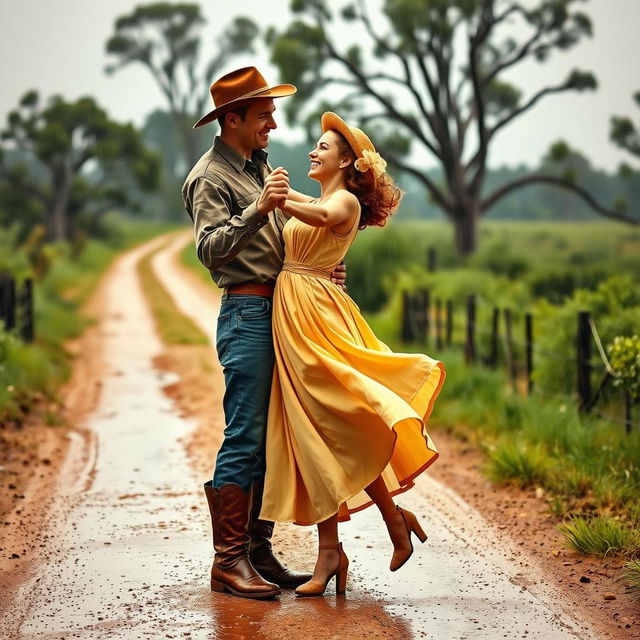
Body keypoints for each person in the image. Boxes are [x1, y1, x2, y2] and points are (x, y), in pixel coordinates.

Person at [259, 112, 446, 597]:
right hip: (297, 315)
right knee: (313, 431)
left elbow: (318, 217)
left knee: (332, 422)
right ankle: (366, 532)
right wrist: (276, 196)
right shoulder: (322, 196)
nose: (312, 153)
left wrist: (276, 196)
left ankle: (351, 541)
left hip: (316, 320)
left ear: (346, 161)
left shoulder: (341, 201)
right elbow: (303, 215)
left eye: (322, 147)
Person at [181, 67, 346, 599]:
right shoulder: (211, 176)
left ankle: (256, 551)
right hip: (246, 314)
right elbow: (209, 248)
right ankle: (227, 561)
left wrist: (320, 269)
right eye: (263, 114)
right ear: (233, 119)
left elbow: (285, 238)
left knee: (271, 439)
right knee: (245, 436)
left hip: (278, 314)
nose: (273, 123)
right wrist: (259, 208)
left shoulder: (258, 165)